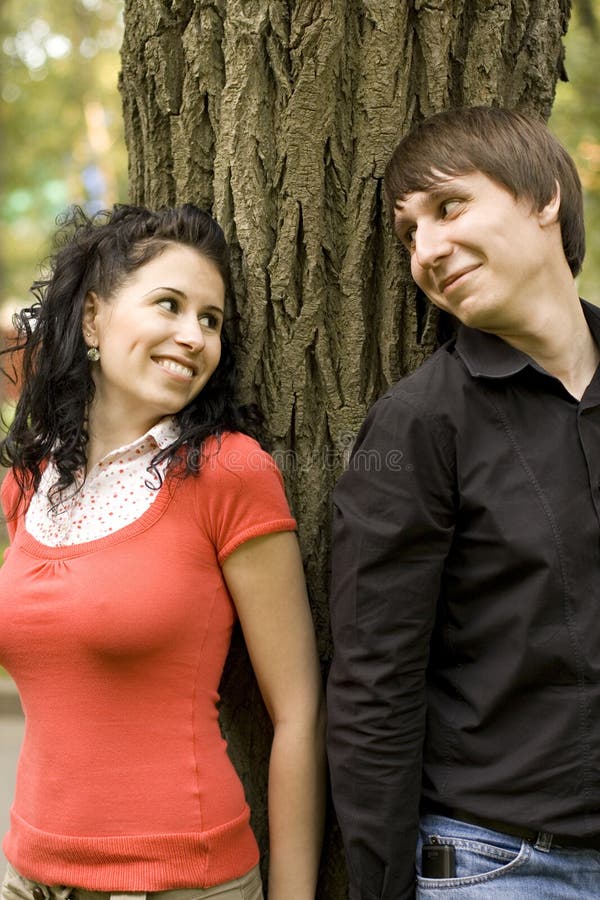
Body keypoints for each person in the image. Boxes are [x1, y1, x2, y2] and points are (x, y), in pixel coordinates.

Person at [0, 203, 325, 900]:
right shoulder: (33, 479)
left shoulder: (229, 472)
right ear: (93, 319)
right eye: (169, 305)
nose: (192, 336)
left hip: (180, 882)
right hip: (27, 876)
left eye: (210, 319)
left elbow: (298, 713)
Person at [326, 106, 600, 899]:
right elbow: (375, 685)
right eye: (409, 233)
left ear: (544, 197)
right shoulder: (420, 424)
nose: (427, 251)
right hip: (501, 865)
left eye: (449, 208)